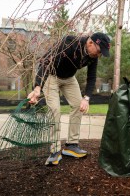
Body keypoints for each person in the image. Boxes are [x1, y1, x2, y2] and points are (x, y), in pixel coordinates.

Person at [27, 32, 111, 165]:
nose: (99, 55)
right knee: (54, 110)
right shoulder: (69, 43)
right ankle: (55, 151)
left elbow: (92, 77)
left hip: (69, 78)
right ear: (90, 43)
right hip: (51, 77)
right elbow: (45, 62)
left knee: (79, 105)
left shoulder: (93, 56)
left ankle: (71, 145)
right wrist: (38, 87)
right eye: (99, 51)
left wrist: (86, 98)